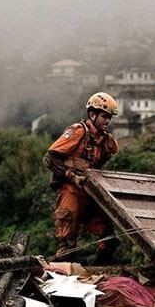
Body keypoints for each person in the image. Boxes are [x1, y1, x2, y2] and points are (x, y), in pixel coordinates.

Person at [44, 92, 120, 263]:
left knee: (109, 238)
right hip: (72, 191)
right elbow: (50, 158)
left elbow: (103, 165)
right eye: (104, 117)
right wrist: (71, 175)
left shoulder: (107, 141)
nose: (107, 121)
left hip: (91, 194)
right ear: (92, 115)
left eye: (109, 118)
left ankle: (98, 273)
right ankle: (63, 278)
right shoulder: (78, 132)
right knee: (67, 243)